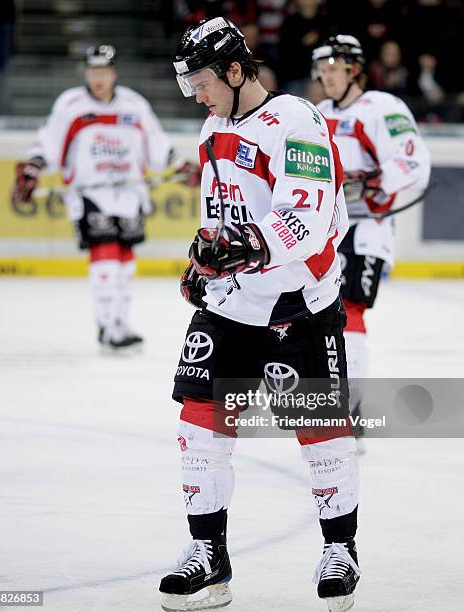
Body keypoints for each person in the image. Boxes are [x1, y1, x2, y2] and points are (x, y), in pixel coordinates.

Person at [159, 17, 361, 612]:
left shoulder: (297, 120)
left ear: (237, 71)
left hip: (301, 301)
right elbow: (219, 209)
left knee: (319, 431)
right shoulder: (213, 126)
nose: (196, 93)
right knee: (199, 423)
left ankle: (339, 549)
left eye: (202, 81)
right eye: (190, 82)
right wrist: (206, 258)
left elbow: (306, 213)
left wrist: (245, 246)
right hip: (233, 303)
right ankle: (207, 556)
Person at [12, 45, 197, 350]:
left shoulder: (134, 104)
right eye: (93, 71)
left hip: (130, 194)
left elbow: (157, 142)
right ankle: (107, 325)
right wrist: (34, 167)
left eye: (104, 71)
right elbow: (48, 141)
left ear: (114, 73)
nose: (98, 78)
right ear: (86, 72)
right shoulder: (70, 104)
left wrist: (180, 165)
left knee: (125, 259)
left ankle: (120, 323)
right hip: (91, 194)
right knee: (106, 255)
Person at [312, 35, 431, 446]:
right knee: (322, 316)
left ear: (354, 70)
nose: (325, 77)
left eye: (333, 69)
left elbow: (413, 161)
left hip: (367, 229)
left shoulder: (381, 107)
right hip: (326, 231)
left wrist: (372, 181)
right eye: (322, 70)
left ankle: (351, 409)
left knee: (350, 311)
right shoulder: (316, 114)